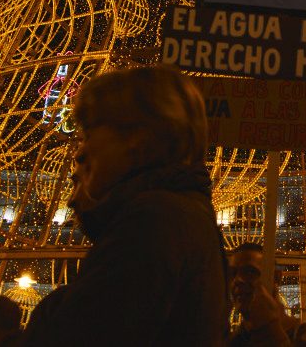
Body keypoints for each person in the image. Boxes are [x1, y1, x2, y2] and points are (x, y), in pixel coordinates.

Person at [22, 64, 229, 346]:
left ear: (138, 136)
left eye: (89, 134)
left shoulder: (153, 221)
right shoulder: (183, 213)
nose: (80, 151)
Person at [227, 243, 306, 347]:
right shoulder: (233, 341)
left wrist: (268, 328)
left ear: (276, 278)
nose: (238, 280)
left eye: (250, 272)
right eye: (232, 274)